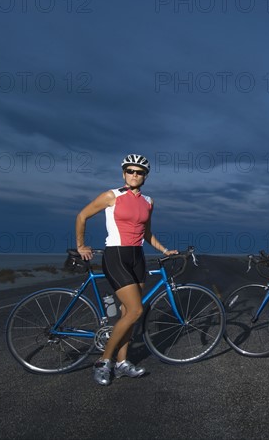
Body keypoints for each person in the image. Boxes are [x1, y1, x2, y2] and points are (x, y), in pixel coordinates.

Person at [76, 154, 177, 386]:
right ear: (123, 173)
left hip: (137, 258)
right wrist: (81, 245)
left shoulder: (149, 201)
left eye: (139, 172)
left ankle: (122, 363)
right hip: (116, 257)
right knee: (135, 311)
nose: (134, 175)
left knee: (127, 314)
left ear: (145, 176)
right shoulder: (111, 196)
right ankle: (103, 361)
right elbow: (82, 216)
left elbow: (147, 232)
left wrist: (164, 250)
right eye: (130, 171)